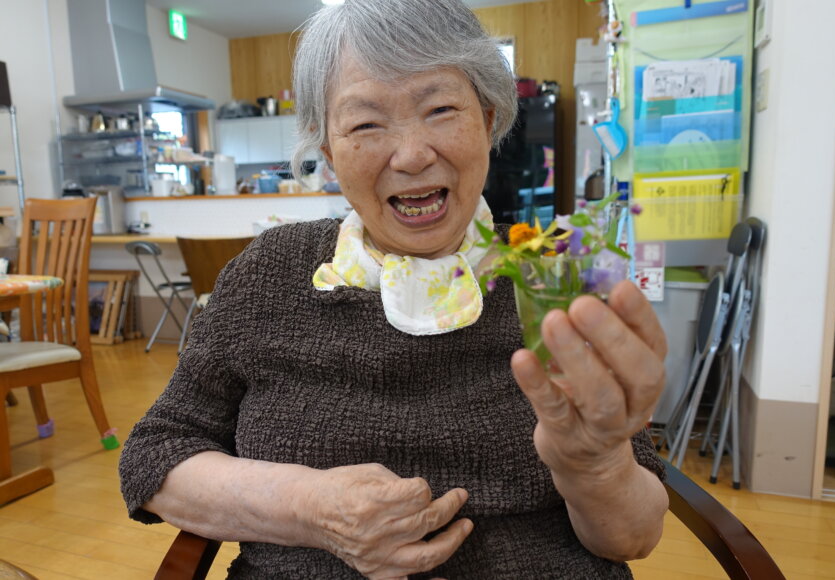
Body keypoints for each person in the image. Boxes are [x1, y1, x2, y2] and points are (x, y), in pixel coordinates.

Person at [119, 0, 669, 577]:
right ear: (329, 155)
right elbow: (155, 455)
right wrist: (310, 508)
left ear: (488, 121)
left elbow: (633, 536)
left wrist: (594, 466)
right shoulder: (270, 273)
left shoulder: (554, 280)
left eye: (440, 109)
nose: (411, 156)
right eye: (365, 124)